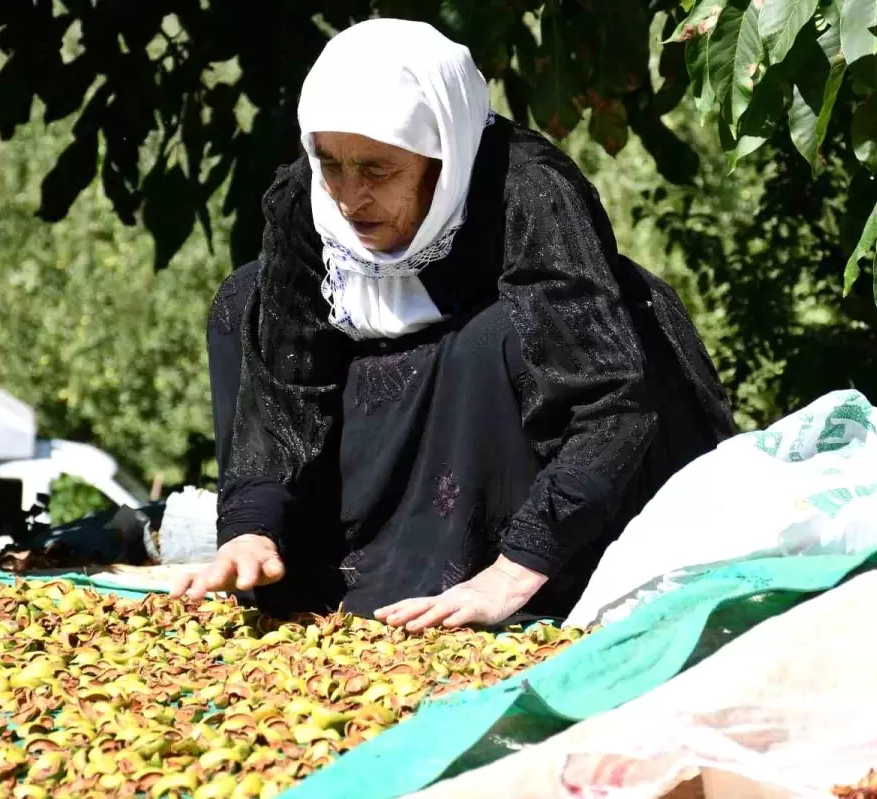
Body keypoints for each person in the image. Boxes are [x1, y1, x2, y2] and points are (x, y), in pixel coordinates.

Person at [172, 18, 735, 630]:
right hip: (384, 423)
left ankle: (501, 578)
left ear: (442, 154)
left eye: (377, 170)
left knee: (501, 334)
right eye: (329, 163)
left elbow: (610, 405)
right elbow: (287, 383)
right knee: (244, 298)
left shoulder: (526, 192)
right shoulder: (306, 202)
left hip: (504, 447)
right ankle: (301, 567)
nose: (348, 197)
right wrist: (252, 525)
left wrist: (514, 569)